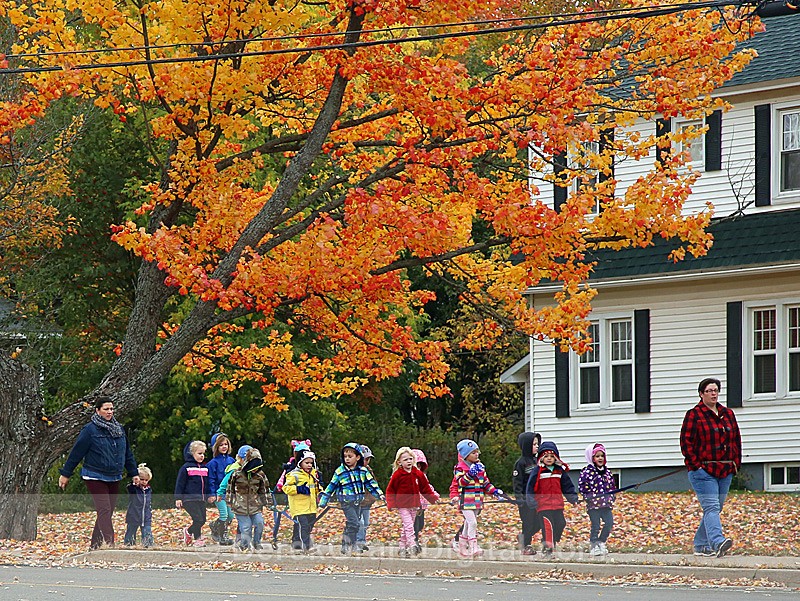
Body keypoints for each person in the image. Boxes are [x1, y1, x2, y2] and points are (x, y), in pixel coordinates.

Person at [58, 395, 140, 549]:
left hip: (114, 475)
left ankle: (95, 546)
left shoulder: (119, 429)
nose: (110, 412)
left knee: (107, 512)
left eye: (111, 409)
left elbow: (127, 453)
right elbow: (76, 453)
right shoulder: (90, 430)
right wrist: (66, 474)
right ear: (97, 411)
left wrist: (133, 472)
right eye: (106, 409)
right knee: (104, 509)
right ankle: (110, 544)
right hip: (94, 475)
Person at [680, 377, 741, 558]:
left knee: (715, 508)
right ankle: (717, 542)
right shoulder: (694, 415)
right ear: (701, 394)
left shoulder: (727, 414)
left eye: (716, 390)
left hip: (725, 470)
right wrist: (696, 465)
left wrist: (735, 463)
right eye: (709, 391)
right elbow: (686, 442)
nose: (713, 394)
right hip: (703, 472)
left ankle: (700, 545)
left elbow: (736, 439)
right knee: (712, 507)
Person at [318, 442, 385, 555]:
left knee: (352, 524)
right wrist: (324, 500)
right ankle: (353, 545)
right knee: (355, 523)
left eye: (350, 456)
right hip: (346, 502)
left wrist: (380, 494)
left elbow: (371, 483)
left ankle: (346, 542)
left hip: (358, 501)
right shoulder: (340, 472)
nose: (347, 459)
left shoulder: (363, 471)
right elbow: (331, 486)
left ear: (358, 457)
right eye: (345, 457)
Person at [525, 441, 578, 557]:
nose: (549, 459)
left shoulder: (559, 471)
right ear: (541, 458)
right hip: (543, 505)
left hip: (557, 504)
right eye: (546, 456)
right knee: (548, 526)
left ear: (556, 458)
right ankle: (548, 549)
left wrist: (573, 498)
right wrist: (531, 500)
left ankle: (552, 542)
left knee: (560, 523)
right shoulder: (537, 471)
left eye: (551, 456)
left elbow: (567, 486)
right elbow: (530, 487)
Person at [453, 439, 503, 558]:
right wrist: (470, 474)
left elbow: (485, 483)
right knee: (472, 522)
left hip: (477, 500)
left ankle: (462, 545)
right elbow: (461, 482)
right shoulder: (459, 468)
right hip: (465, 501)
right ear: (466, 455)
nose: (477, 454)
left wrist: (494, 491)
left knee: (467, 523)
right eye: (473, 452)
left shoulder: (480, 467)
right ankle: (473, 546)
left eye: (477, 452)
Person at [386, 447, 439, 557]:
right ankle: (412, 544)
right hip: (402, 505)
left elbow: (425, 488)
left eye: (410, 459)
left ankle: (402, 546)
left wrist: (433, 498)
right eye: (405, 460)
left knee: (407, 527)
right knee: (409, 525)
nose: (409, 462)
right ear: (399, 462)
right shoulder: (397, 475)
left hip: (414, 505)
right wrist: (391, 504)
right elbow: (390, 490)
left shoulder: (417, 474)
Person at [227, 447, 270, 551]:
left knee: (260, 523)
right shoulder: (236, 474)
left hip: (255, 505)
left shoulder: (260, 475)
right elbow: (230, 488)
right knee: (246, 527)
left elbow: (264, 490)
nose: (255, 468)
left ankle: (257, 542)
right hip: (240, 506)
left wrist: (268, 503)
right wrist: (230, 501)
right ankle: (244, 545)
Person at [578, 443, 616, 556]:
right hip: (593, 505)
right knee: (596, 525)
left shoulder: (607, 472)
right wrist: (588, 496)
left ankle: (601, 542)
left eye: (602, 456)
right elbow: (582, 486)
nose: (600, 458)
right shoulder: (587, 472)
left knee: (609, 523)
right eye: (597, 456)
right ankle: (594, 545)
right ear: (592, 457)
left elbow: (612, 485)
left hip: (606, 504)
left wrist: (612, 496)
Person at [175, 440, 213, 547]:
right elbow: (180, 483)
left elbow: (207, 484)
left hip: (201, 499)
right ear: (192, 454)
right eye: (199, 453)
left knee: (203, 519)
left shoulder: (205, 468)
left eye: (203, 454)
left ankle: (191, 534)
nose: (202, 456)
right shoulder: (186, 468)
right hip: (189, 499)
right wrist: (178, 498)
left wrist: (209, 495)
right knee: (198, 519)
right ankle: (195, 536)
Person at [282, 448, 320, 553]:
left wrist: (321, 493)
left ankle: (300, 541)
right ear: (300, 463)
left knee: (309, 525)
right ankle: (307, 546)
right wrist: (298, 489)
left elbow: (316, 487)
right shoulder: (294, 475)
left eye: (311, 463)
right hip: (299, 507)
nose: (309, 465)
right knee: (303, 525)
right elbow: (286, 488)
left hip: (311, 506)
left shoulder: (313, 474)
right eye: (306, 462)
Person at [512, 431, 542, 555]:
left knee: (539, 522)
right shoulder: (521, 463)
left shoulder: (537, 461)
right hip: (525, 500)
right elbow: (517, 482)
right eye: (534, 444)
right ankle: (526, 545)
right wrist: (519, 498)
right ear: (526, 445)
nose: (537, 446)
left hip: (536, 499)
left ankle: (523, 536)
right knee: (528, 522)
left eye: (537, 444)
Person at [206, 433, 235, 545]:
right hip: (219, 493)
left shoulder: (231, 461)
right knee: (224, 514)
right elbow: (211, 480)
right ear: (215, 447)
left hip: (229, 493)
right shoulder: (212, 463)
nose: (224, 447)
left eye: (226, 444)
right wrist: (212, 494)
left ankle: (215, 526)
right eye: (221, 445)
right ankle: (223, 536)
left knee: (231, 515)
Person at [411, 448, 438, 554]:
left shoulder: (423, 477)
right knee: (414, 525)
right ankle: (413, 542)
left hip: (421, 505)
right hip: (412, 505)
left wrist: (434, 496)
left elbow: (427, 488)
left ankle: (414, 540)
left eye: (419, 465)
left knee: (420, 524)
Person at [124, 463, 154, 547]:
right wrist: (134, 483)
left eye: (146, 480)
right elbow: (130, 488)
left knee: (147, 531)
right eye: (142, 479)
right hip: (134, 515)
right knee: (131, 531)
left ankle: (148, 545)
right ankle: (129, 544)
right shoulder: (134, 489)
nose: (144, 482)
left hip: (146, 516)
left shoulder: (148, 490)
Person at [356, 444, 377, 551]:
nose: (367, 462)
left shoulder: (368, 470)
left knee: (366, 522)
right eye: (365, 459)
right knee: (360, 522)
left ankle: (362, 541)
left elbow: (373, 484)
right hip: (356, 503)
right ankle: (357, 542)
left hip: (367, 501)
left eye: (368, 459)